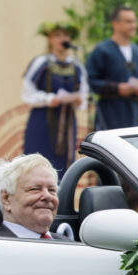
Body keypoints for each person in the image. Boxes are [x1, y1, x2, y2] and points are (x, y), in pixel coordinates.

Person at [21, 21, 87, 177]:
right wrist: (49, 99)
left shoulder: (77, 66)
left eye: (66, 36)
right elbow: (27, 93)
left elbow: (83, 93)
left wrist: (78, 101)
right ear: (50, 39)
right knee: (38, 160)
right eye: (57, 35)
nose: (62, 39)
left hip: (67, 123)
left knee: (65, 163)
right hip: (42, 120)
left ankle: (62, 191)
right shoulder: (41, 63)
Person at [86, 5, 138, 130]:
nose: (133, 25)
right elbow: (91, 80)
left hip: (134, 115)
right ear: (115, 24)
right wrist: (117, 88)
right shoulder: (102, 50)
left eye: (134, 21)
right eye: (128, 21)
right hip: (109, 115)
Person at [0, 154, 68, 240]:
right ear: (6, 199)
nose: (48, 196)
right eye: (35, 189)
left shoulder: (71, 245)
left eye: (52, 190)